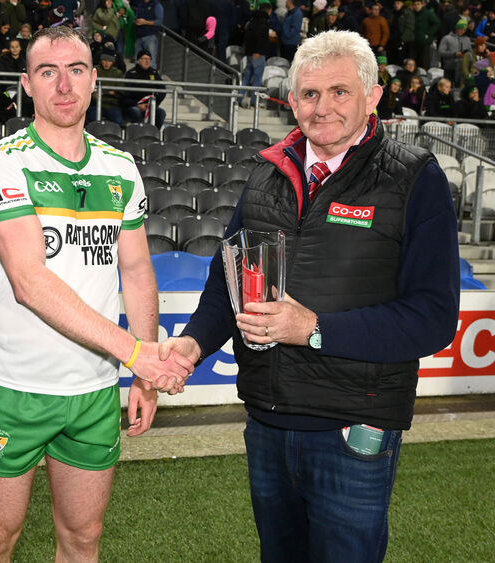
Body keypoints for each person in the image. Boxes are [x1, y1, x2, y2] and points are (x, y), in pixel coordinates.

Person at [160, 29, 459, 563]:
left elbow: (432, 318)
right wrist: (191, 346)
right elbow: (227, 280)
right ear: (291, 100)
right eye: (309, 94)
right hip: (268, 421)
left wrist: (314, 328)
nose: (322, 108)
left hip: (354, 427)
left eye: (339, 92)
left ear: (372, 96)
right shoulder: (265, 173)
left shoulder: (415, 178)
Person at [0, 26, 192, 563]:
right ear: (26, 85)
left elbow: (136, 270)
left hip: (94, 393)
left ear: (94, 80)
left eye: (76, 70)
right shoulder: (0, 160)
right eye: (48, 72)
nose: (63, 84)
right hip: (14, 388)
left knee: (83, 540)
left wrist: (142, 374)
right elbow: (30, 282)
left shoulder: (120, 167)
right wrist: (137, 354)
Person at [121, 48, 166, 127]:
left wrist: (154, 104)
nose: (147, 61)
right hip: (134, 105)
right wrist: (137, 104)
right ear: (138, 60)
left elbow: (162, 90)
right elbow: (125, 95)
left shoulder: (154, 73)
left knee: (161, 113)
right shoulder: (131, 74)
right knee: (136, 112)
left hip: (150, 105)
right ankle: (139, 133)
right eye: (144, 59)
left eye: (149, 59)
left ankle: (154, 134)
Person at [241, 1, 270, 108]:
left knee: (247, 77)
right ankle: (254, 101)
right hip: (258, 53)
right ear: (268, 10)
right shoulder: (263, 22)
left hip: (249, 52)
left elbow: (248, 37)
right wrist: (257, 51)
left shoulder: (252, 20)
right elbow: (259, 37)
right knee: (257, 78)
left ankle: (239, 98)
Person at [87, 47, 124, 124]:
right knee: (94, 120)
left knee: (119, 122)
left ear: (113, 62)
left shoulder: (117, 73)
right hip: (95, 104)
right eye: (105, 60)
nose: (107, 63)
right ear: (101, 60)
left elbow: (120, 91)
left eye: (109, 61)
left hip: (111, 104)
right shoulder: (94, 70)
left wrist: (105, 92)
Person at [439, 19, 472, 84]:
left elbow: (470, 52)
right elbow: (440, 52)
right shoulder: (447, 38)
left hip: (463, 68)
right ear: (456, 28)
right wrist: (454, 54)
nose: (462, 31)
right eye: (460, 29)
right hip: (450, 68)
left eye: (464, 30)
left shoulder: (467, 39)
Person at [133, 0, 163, 65]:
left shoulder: (157, 5)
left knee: (150, 62)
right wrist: (136, 21)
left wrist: (145, 22)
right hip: (139, 36)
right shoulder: (140, 4)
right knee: (138, 62)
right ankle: (138, 75)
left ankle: (151, 75)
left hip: (150, 36)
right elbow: (136, 16)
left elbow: (159, 21)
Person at [413, 0, 440, 70]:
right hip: (414, 41)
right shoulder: (413, 14)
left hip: (424, 41)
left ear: (422, 5)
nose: (416, 6)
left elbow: (437, 23)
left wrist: (429, 33)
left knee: (424, 61)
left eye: (418, 4)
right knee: (414, 60)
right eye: (415, 4)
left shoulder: (428, 13)